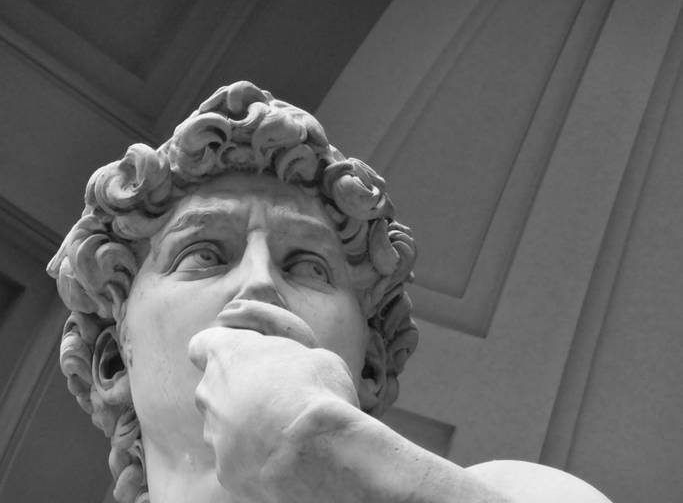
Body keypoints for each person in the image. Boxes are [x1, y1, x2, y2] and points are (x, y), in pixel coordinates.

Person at [47, 81, 611, 503]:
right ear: (113, 361)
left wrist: (326, 447)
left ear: (369, 368)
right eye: (205, 255)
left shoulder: (523, 493)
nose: (260, 281)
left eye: (308, 267)